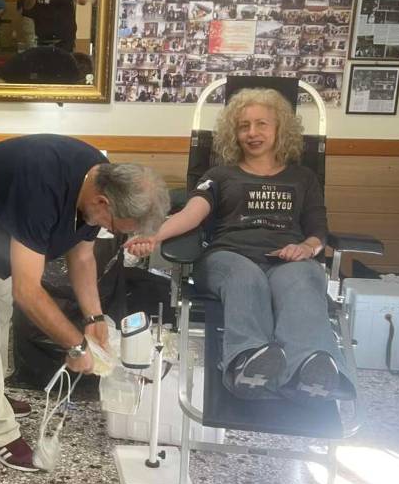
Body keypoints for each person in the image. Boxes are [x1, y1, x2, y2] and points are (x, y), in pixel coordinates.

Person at [0, 135, 169, 472]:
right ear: (102, 202)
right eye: (112, 226)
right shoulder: (43, 185)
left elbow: (82, 257)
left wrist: (94, 317)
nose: (109, 231)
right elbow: (28, 291)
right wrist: (76, 345)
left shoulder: (101, 178)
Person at [125, 87, 356, 403]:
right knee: (245, 275)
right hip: (227, 258)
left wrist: (307, 248)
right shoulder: (220, 175)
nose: (252, 133)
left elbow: (318, 230)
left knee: (304, 277)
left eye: (262, 124)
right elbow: (192, 213)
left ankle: (308, 370)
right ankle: (247, 361)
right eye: (244, 126)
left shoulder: (303, 178)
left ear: (280, 129)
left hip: (287, 261)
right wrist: (154, 235)